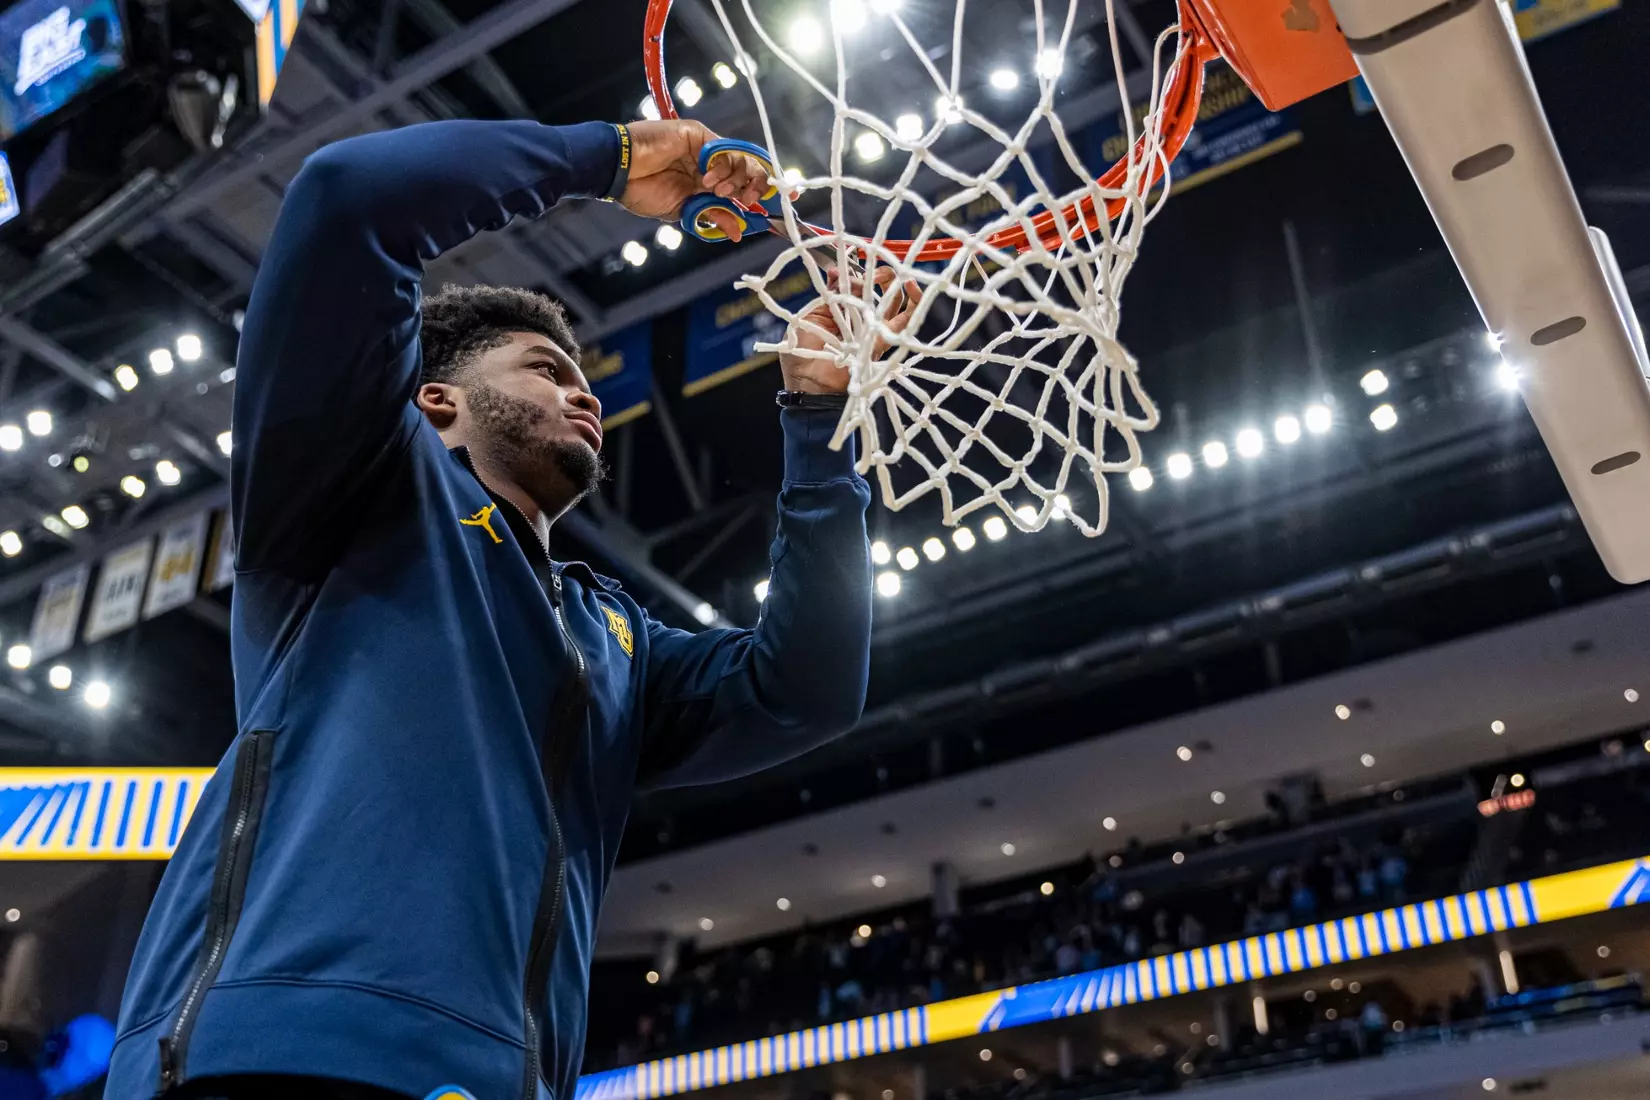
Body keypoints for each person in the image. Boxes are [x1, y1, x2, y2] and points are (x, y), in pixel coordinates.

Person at [107, 115, 916, 1099]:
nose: (586, 397)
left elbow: (806, 689)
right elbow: (345, 198)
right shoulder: (357, 480)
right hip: (282, 1057)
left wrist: (819, 423)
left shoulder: (615, 635)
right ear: (435, 400)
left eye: (585, 383)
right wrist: (610, 159)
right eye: (547, 369)